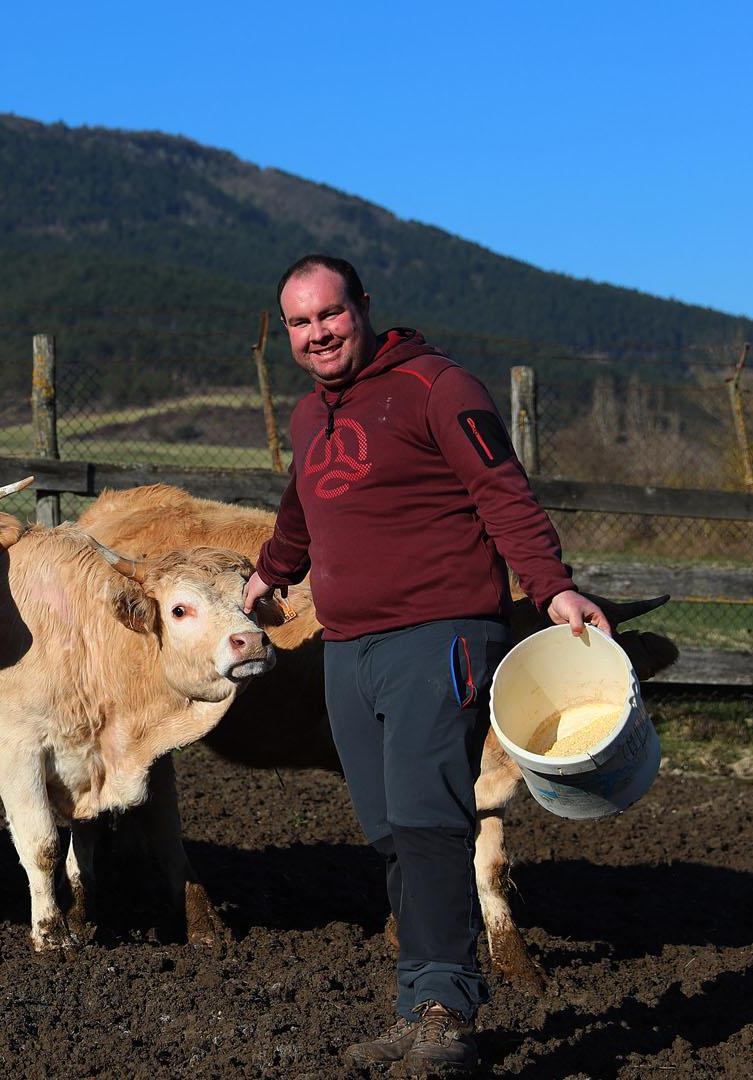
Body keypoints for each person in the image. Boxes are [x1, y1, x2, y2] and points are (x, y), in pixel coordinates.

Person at [242, 254, 609, 1075]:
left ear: (363, 308)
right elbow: (303, 509)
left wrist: (552, 589)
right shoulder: (309, 417)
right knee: (389, 832)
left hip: (439, 635)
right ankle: (419, 1007)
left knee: (430, 821)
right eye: (299, 324)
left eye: (328, 316)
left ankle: (446, 1009)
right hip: (348, 647)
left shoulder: (438, 388)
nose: (316, 335)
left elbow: (502, 493)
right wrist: (270, 572)